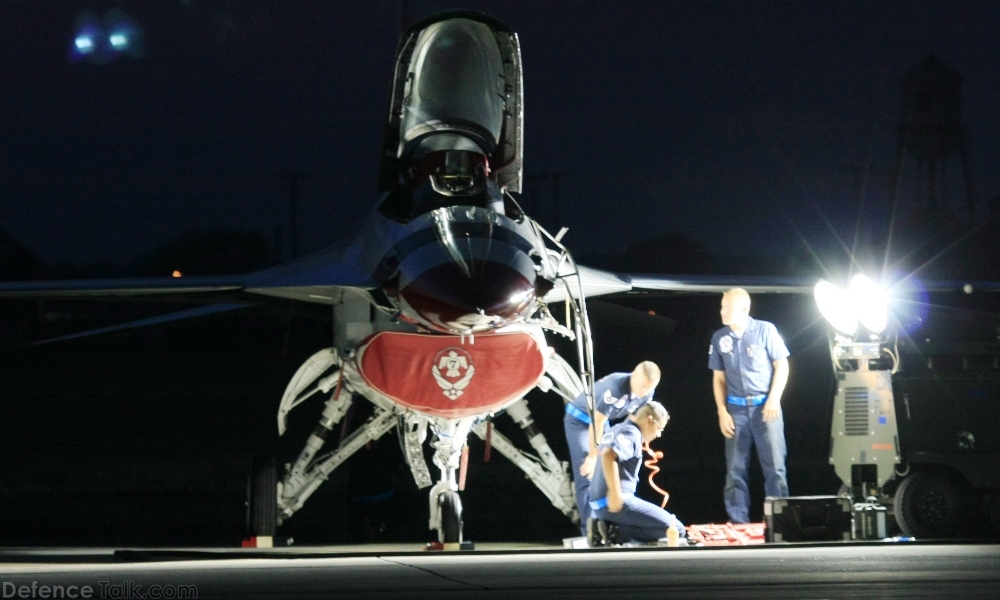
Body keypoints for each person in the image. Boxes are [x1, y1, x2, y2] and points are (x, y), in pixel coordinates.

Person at [708, 288, 790, 523]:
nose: (722, 311)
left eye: (728, 308)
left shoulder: (765, 330)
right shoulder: (719, 338)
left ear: (744, 309)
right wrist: (722, 411)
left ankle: (779, 521)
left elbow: (782, 366)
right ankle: (738, 521)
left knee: (775, 467)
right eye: (722, 306)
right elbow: (719, 379)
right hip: (736, 410)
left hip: (766, 407)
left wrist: (774, 397)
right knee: (735, 471)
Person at [563, 361, 660, 534]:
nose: (644, 391)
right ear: (634, 375)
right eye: (643, 386)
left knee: (610, 467)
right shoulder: (615, 388)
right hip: (581, 420)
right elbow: (597, 422)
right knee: (588, 472)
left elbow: (633, 420)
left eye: (649, 388)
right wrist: (593, 457)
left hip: (604, 422)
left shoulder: (647, 393)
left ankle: (608, 525)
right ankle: (589, 530)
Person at [588, 401, 684, 544]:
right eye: (659, 429)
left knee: (651, 525)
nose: (658, 435)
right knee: (677, 529)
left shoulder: (616, 428)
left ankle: (610, 529)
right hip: (616, 502)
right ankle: (616, 532)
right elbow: (608, 455)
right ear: (649, 421)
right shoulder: (631, 433)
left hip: (599, 503)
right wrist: (615, 493)